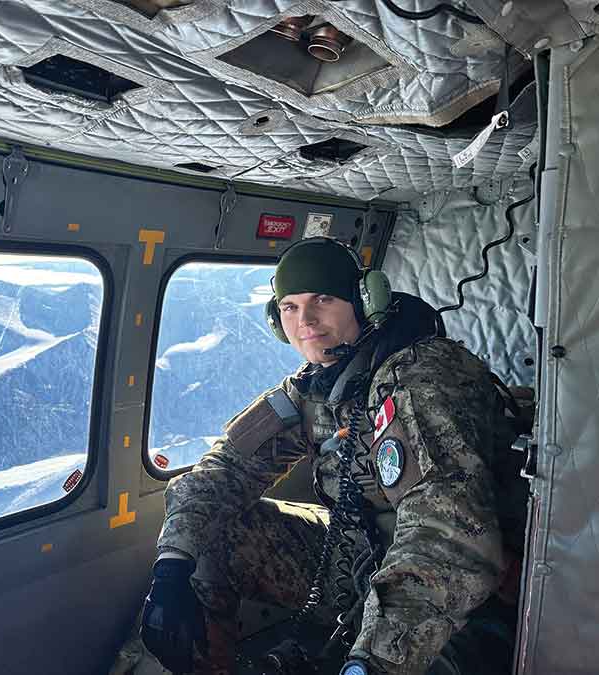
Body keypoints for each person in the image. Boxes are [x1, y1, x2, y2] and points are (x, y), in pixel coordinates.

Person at [139, 237, 527, 675]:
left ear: (365, 301)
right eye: (289, 307)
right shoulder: (316, 387)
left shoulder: (421, 378)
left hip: (454, 590)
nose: (305, 320)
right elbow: (226, 468)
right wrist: (171, 568)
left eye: (322, 299)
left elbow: (449, 536)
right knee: (211, 532)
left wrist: (371, 661)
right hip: (359, 560)